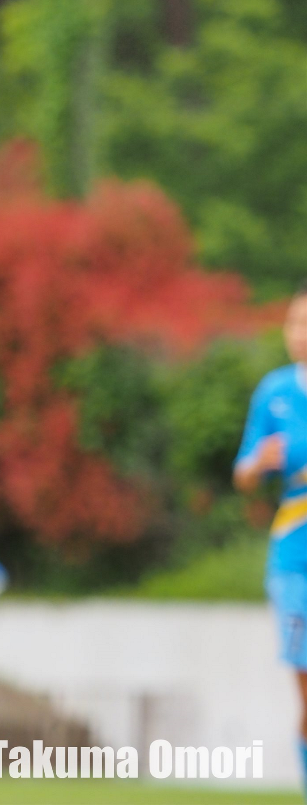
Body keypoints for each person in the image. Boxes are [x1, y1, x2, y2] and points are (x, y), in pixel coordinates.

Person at [235, 283, 307, 794]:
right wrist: (258, 462)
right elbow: (242, 472)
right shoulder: (274, 392)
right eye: (294, 323)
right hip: (294, 561)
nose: (299, 333)